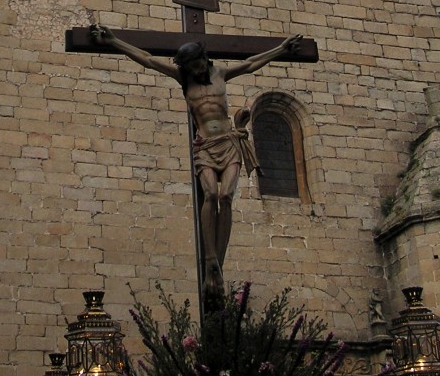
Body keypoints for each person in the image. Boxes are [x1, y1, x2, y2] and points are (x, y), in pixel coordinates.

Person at [89, 24, 301, 294]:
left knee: (226, 197)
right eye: (191, 67)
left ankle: (218, 263)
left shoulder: (220, 73)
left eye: (199, 65)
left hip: (229, 144)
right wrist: (114, 41)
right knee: (210, 194)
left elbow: (250, 64)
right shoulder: (184, 79)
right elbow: (148, 59)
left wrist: (281, 49)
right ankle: (210, 257)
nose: (197, 71)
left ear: (205, 59)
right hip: (205, 147)